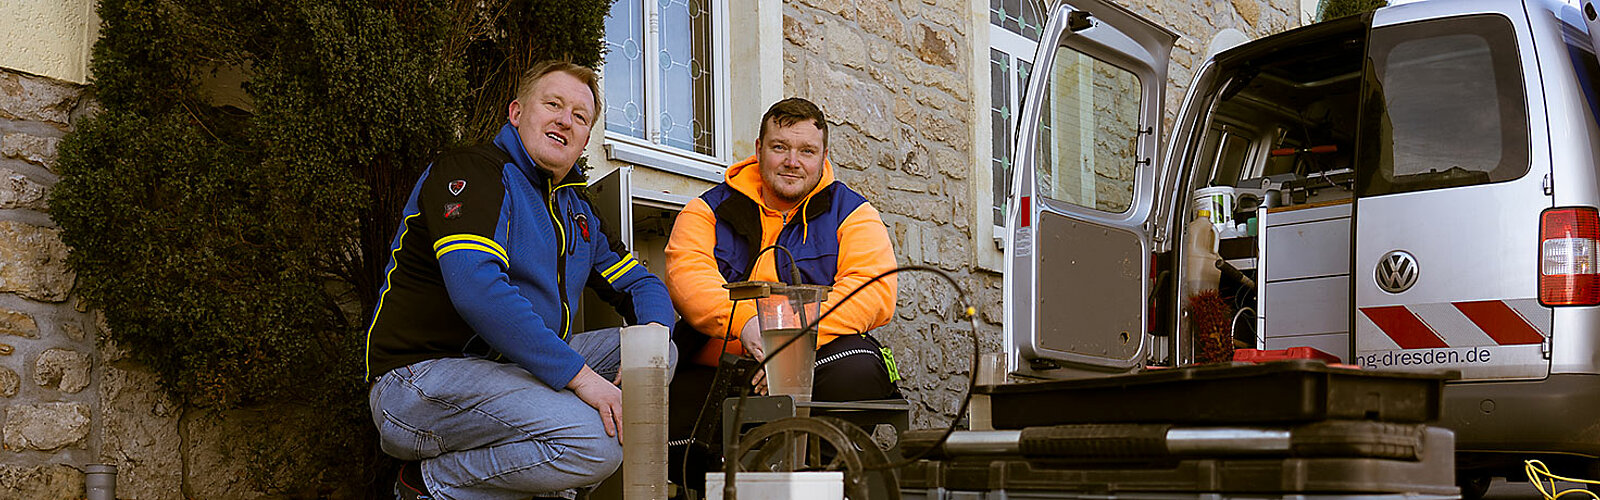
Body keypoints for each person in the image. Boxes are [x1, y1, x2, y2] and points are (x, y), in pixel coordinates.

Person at [364, 60, 676, 500]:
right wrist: (582, 378)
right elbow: (477, 288)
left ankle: (553, 487)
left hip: (510, 372)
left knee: (660, 354)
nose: (565, 120)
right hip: (419, 382)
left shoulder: (576, 209)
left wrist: (655, 336)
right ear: (516, 113)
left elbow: (640, 285)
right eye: (553, 104)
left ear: (586, 138)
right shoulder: (474, 172)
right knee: (595, 442)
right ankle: (429, 485)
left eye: (580, 117)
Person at [664, 97, 902, 439]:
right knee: (664, 417)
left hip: (817, 361)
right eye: (780, 147)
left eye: (807, 151)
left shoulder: (853, 213)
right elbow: (689, 280)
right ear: (759, 149)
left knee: (858, 370)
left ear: (823, 157)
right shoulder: (705, 211)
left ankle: (820, 482)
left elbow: (873, 291)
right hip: (723, 369)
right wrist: (746, 324)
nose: (793, 162)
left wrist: (790, 342)